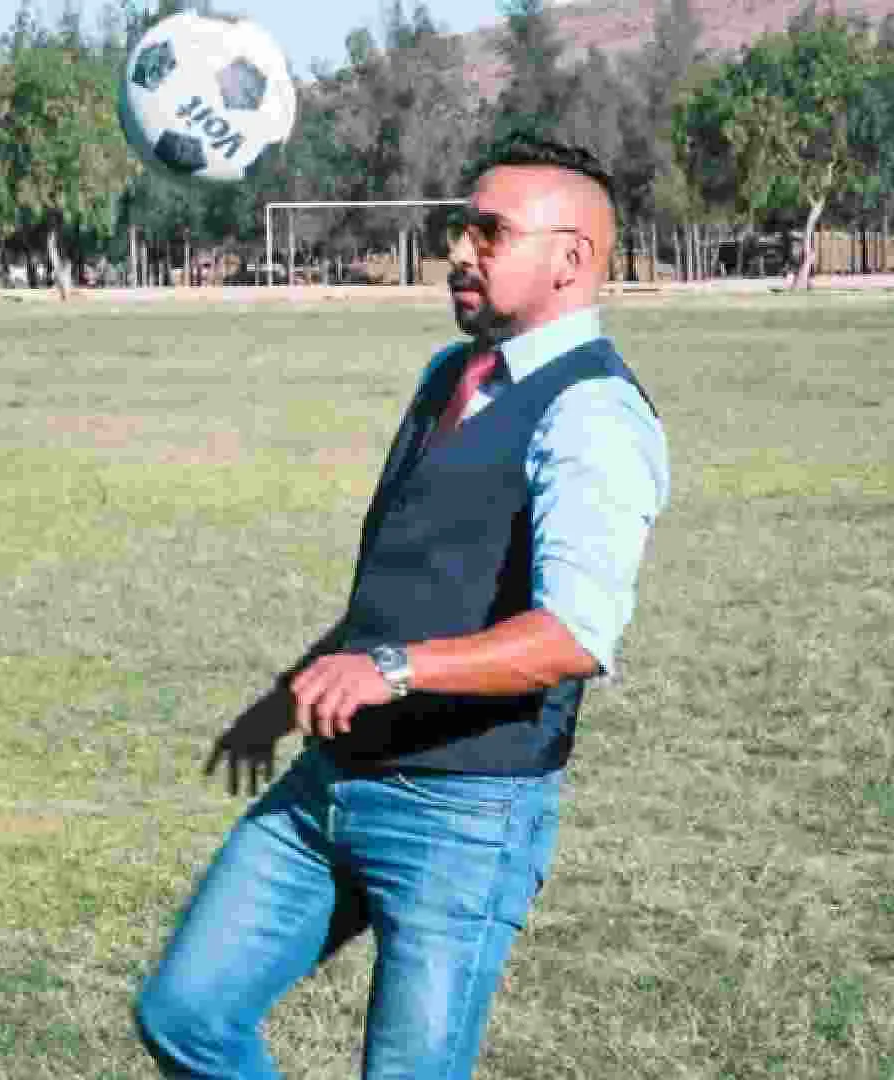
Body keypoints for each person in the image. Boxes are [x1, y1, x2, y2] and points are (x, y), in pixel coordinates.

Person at [132, 140, 672, 1079]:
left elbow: (575, 635)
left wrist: (390, 671)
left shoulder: (594, 415)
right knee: (187, 1013)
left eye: (490, 233)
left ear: (571, 259)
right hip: (329, 786)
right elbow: (405, 591)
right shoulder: (448, 376)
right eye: (460, 229)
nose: (459, 251)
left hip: (463, 813)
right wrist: (286, 699)